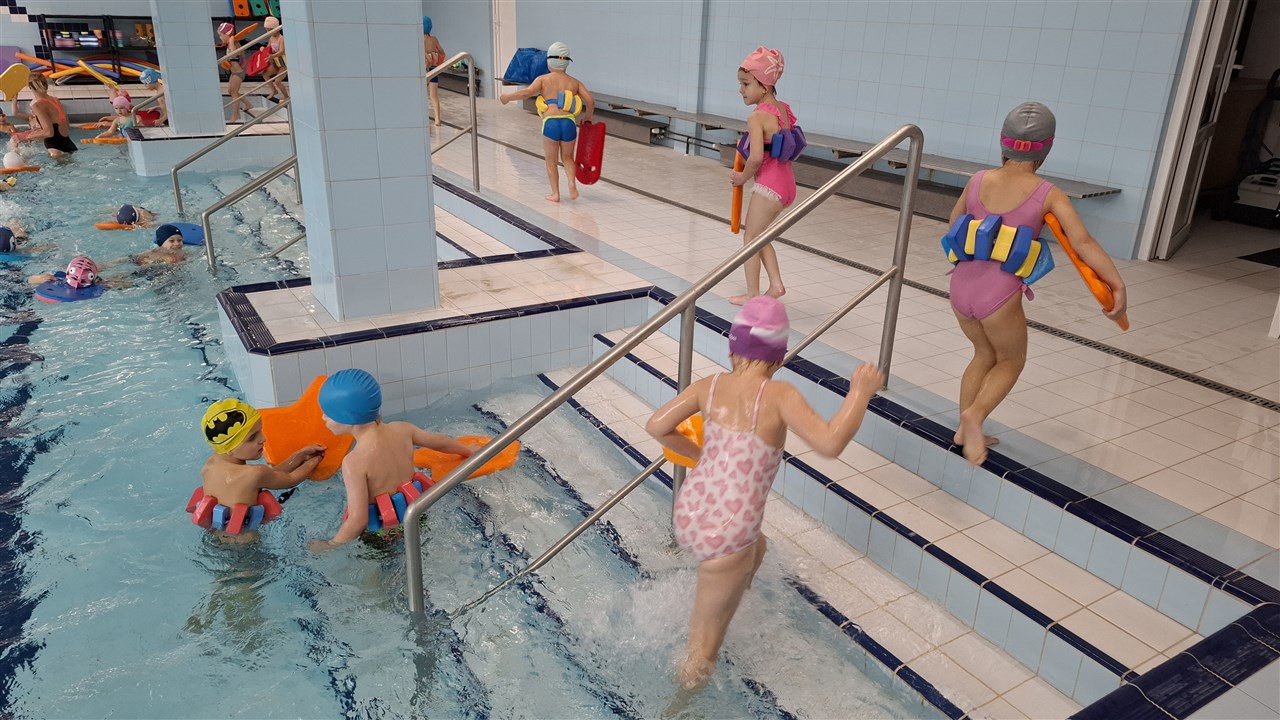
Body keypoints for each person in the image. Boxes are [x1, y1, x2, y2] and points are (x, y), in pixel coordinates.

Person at [645, 297, 884, 689]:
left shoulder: (709, 385)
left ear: (732, 349)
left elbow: (657, 426)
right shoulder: (779, 395)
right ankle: (678, 705)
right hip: (727, 532)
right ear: (780, 358)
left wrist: (702, 457)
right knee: (702, 651)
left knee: (759, 545)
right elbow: (830, 443)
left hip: (691, 511)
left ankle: (735, 587)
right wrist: (860, 392)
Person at [947, 102, 1127, 466]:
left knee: (983, 354)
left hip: (961, 286)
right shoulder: (1048, 193)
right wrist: (1117, 285)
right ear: (1047, 148)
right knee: (1011, 360)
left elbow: (954, 223)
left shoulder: (978, 180)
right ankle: (974, 416)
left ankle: (963, 430)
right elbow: (1082, 243)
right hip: (999, 294)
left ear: (1002, 142)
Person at [309, 368, 473, 551]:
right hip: (415, 517)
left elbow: (358, 520)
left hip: (382, 533)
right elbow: (441, 441)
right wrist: (468, 451)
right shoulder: (403, 429)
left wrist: (330, 545)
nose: (323, 417)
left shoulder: (354, 462)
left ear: (349, 418)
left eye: (328, 414)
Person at [197, 398, 325, 542]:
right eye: (252, 437)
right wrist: (316, 460)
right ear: (230, 448)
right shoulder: (255, 474)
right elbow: (290, 480)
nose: (263, 438)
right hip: (244, 541)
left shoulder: (210, 464)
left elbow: (271, 475)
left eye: (260, 431)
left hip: (214, 535)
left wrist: (299, 456)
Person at [729, 47, 800, 306]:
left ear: (765, 85)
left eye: (746, 84)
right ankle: (776, 285)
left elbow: (757, 157)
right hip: (787, 184)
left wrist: (741, 178)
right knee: (761, 236)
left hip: (769, 186)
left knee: (751, 238)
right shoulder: (782, 109)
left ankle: (752, 295)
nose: (741, 90)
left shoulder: (757, 116)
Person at [499, 41, 595, 203]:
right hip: (569, 123)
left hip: (551, 122)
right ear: (567, 62)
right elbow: (590, 100)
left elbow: (526, 93)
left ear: (549, 61)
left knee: (551, 160)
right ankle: (572, 183)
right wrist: (588, 117)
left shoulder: (543, 79)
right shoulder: (574, 82)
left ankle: (555, 194)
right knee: (568, 158)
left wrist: (507, 97)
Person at [9, 75, 76, 158]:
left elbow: (49, 132)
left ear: (30, 87)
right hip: (68, 145)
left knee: (15, 141)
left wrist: (25, 137)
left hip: (55, 150)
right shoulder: (55, 100)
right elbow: (65, 124)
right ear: (46, 84)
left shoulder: (37, 105)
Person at [216, 22, 255, 123]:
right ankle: (248, 104)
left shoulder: (234, 43)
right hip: (234, 73)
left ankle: (235, 115)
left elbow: (234, 54)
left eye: (221, 35)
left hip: (238, 73)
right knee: (231, 91)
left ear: (227, 34)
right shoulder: (231, 43)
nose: (220, 38)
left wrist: (232, 42)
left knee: (234, 93)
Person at [422, 16, 443, 127]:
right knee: (434, 95)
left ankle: (422, 116)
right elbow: (442, 52)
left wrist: (427, 61)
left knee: (421, 95)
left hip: (424, 69)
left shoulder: (420, 39)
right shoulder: (434, 39)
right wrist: (434, 55)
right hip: (434, 69)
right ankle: (437, 119)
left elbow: (422, 53)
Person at [261, 16, 288, 101]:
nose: (267, 32)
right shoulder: (271, 38)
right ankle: (274, 90)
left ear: (275, 29)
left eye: (269, 30)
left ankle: (286, 96)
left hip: (283, 64)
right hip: (276, 62)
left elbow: (282, 51)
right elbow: (268, 48)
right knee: (265, 74)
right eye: (266, 30)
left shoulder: (281, 38)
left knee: (277, 81)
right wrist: (263, 49)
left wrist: (272, 56)